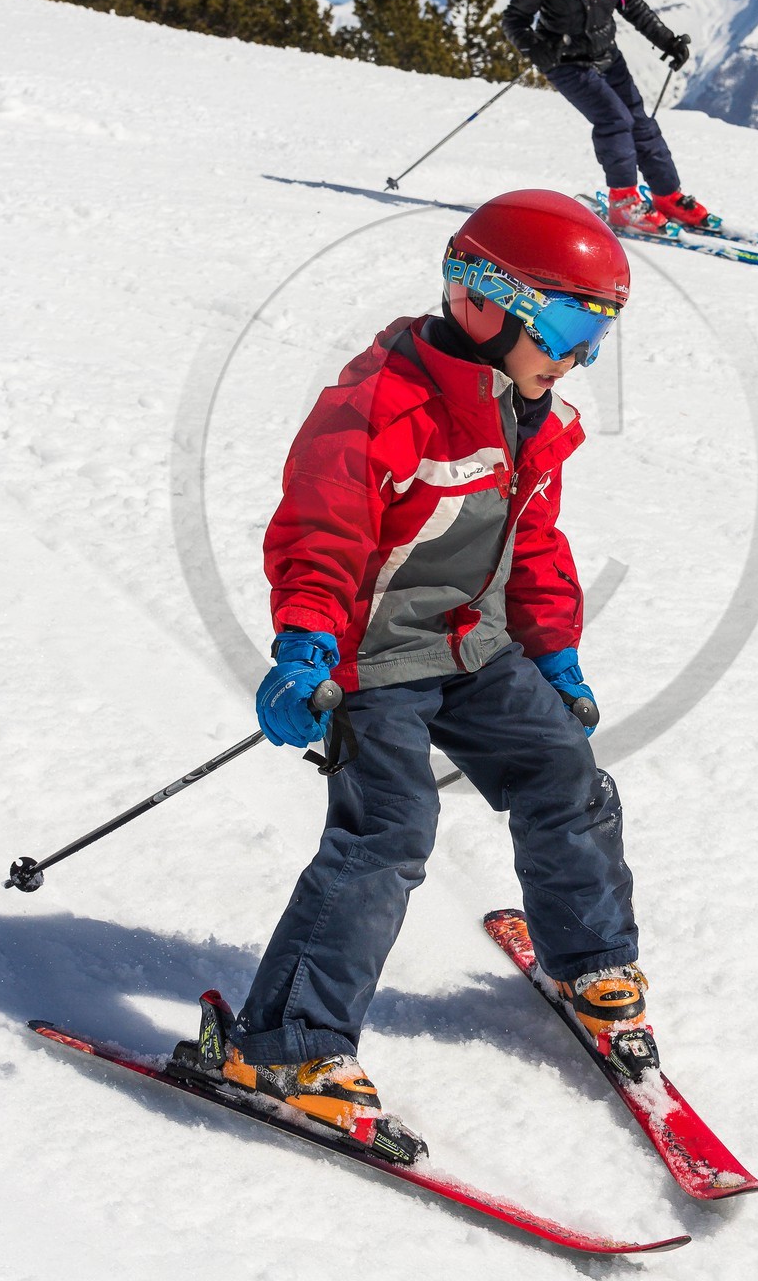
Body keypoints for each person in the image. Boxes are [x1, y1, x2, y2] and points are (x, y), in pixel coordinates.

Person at [172, 190, 659, 1163]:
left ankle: (588, 960)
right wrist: (305, 646)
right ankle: (282, 1048)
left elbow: (531, 544)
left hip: (470, 648)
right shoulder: (375, 404)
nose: (577, 357)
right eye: (567, 323)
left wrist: (553, 650)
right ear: (482, 301)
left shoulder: (530, 416)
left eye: (597, 333)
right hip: (370, 660)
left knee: (564, 775)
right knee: (386, 830)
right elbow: (318, 538)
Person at [502, 0, 709, 233]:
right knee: (615, 121)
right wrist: (537, 49)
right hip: (566, 62)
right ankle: (623, 202)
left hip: (607, 56)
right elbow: (514, 19)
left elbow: (633, 6)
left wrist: (668, 41)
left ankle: (667, 196)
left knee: (642, 125)